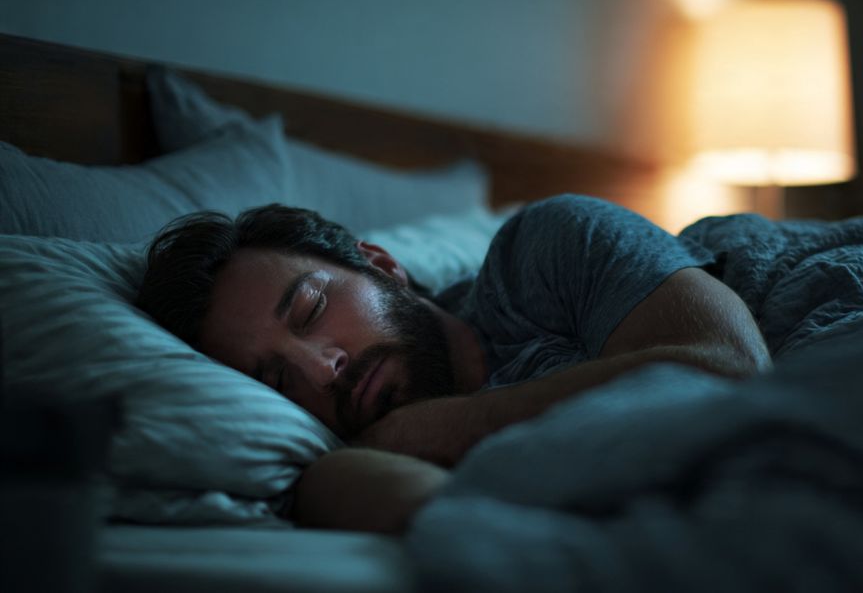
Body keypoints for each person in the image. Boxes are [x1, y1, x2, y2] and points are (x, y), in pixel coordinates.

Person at [136, 194, 772, 532]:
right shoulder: (346, 462)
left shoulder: (545, 248)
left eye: (308, 310)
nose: (320, 369)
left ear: (382, 266)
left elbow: (730, 370)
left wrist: (440, 426)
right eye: (275, 380)